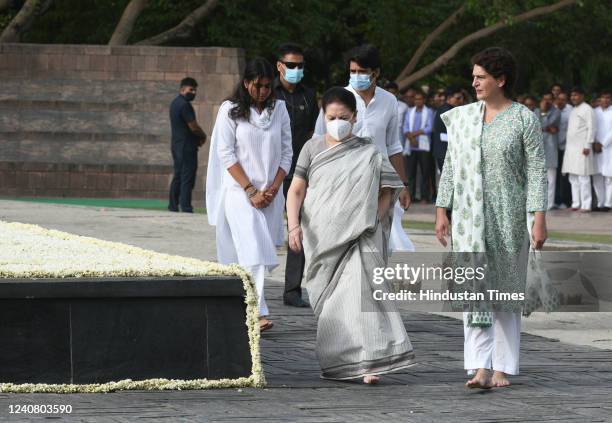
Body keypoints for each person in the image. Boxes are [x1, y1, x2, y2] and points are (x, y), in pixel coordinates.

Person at [286, 87, 415, 384]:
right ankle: (340, 362)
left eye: (343, 117)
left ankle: (370, 363)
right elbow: (296, 190)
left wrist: (374, 218)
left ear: (355, 118)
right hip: (320, 234)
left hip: (360, 235)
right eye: (331, 117)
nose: (337, 122)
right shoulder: (312, 148)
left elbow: (389, 189)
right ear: (323, 116)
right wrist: (293, 225)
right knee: (331, 303)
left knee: (361, 297)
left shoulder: (368, 151)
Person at [436, 47, 547, 389]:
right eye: (473, 77)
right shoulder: (464, 117)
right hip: (469, 218)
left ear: (501, 79)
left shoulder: (524, 119)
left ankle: (502, 367)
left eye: (481, 77)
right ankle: (479, 366)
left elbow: (537, 171)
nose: (474, 83)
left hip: (509, 216)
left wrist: (539, 217)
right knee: (474, 291)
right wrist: (442, 209)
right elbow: (452, 164)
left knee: (505, 292)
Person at [206, 58, 292, 332]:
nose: (263, 92)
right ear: (246, 84)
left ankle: (240, 307)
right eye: (258, 86)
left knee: (253, 253)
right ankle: (258, 312)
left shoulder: (279, 109)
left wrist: (273, 188)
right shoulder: (230, 110)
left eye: (268, 87)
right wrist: (250, 190)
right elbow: (225, 153)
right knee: (254, 247)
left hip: (270, 193)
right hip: (239, 192)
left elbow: (287, 151)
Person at [314, 44, 414, 252]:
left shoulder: (389, 101)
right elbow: (319, 142)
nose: (356, 76)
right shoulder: (337, 99)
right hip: (345, 183)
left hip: (382, 183)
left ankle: (393, 283)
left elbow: (394, 146)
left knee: (395, 243)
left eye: (362, 72)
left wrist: (403, 184)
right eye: (352, 71)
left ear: (375, 73)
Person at [273, 43, 318, 307]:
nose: (296, 70)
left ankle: (292, 290)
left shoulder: (309, 95)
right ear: (279, 65)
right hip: (271, 170)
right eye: (291, 65)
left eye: (300, 66)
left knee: (297, 228)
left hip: (299, 171)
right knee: (263, 227)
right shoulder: (269, 93)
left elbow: (313, 132)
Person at [168, 77, 207, 213]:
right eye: (191, 89)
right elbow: (193, 126)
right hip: (187, 146)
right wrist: (203, 136)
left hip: (177, 145)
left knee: (178, 175)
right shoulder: (185, 105)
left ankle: (173, 206)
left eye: (195, 90)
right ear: (182, 89)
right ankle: (186, 207)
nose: (194, 92)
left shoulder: (174, 103)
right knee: (187, 176)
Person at [562, 86, 597, 212]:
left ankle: (586, 205)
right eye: (572, 95)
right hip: (571, 149)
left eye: (576, 95)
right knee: (573, 177)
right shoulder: (574, 109)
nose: (573, 98)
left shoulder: (587, 109)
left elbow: (592, 128)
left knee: (584, 177)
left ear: (582, 96)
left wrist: (588, 145)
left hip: (583, 148)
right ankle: (576, 203)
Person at [404, 90, 434, 202]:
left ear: (424, 100)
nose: (418, 101)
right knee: (411, 173)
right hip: (411, 146)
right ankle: (411, 196)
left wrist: (414, 135)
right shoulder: (409, 111)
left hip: (424, 146)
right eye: (416, 99)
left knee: (425, 172)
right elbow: (405, 128)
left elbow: (429, 128)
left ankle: (424, 196)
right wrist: (411, 139)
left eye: (420, 99)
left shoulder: (429, 112)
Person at [534, 93, 561, 210]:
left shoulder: (556, 112)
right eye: (545, 99)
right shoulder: (536, 111)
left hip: (551, 149)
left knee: (551, 179)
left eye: (550, 99)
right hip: (538, 149)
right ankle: (539, 203)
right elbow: (535, 126)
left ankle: (550, 204)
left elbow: (546, 124)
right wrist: (546, 128)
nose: (547, 102)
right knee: (539, 179)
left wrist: (544, 115)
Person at [432, 86, 464, 173]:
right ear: (449, 98)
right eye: (458, 98)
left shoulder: (443, 108)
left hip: (443, 150)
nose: (461, 101)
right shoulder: (449, 111)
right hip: (446, 151)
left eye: (462, 98)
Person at [593, 91, 612, 211]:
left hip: (609, 148)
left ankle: (608, 203)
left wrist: (603, 143)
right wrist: (595, 143)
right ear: (599, 99)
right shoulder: (594, 112)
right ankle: (600, 203)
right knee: (597, 176)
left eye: (608, 98)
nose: (605, 100)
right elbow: (592, 128)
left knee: (609, 177)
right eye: (603, 98)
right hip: (595, 147)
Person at [554, 92, 573, 208]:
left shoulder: (570, 111)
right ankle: (556, 200)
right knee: (554, 176)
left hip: (566, 148)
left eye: (563, 99)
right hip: (553, 148)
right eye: (559, 99)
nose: (561, 101)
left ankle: (566, 200)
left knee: (565, 176)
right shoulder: (552, 110)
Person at [384, 81, 409, 155]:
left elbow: (407, 126)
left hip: (400, 142)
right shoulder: (381, 107)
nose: (391, 95)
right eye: (389, 93)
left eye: (393, 92)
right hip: (384, 143)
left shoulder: (404, 107)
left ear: (397, 93)